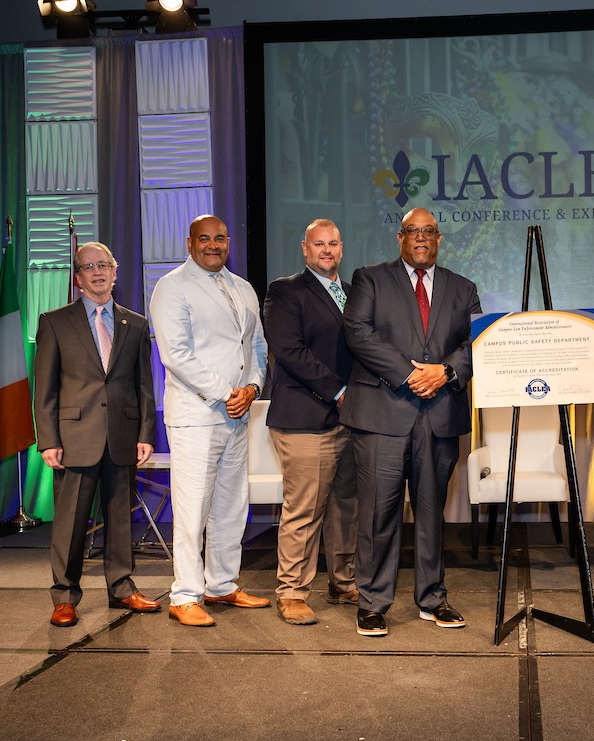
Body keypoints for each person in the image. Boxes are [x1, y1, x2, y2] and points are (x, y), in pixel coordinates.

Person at [340, 207, 482, 637]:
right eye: (413, 231)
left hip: (438, 415)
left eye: (429, 232)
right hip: (383, 413)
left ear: (439, 239)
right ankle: (373, 602)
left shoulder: (463, 288)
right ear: (400, 237)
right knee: (378, 514)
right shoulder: (370, 278)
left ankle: (432, 598)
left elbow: (475, 340)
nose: (421, 238)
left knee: (431, 513)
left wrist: (445, 372)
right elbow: (358, 332)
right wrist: (409, 373)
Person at [150, 214, 270, 627]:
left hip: (238, 414)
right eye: (205, 239)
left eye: (220, 238)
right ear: (190, 242)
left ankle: (221, 585)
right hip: (197, 415)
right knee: (193, 508)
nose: (214, 245)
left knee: (231, 507)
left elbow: (257, 345)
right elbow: (176, 355)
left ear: (229, 242)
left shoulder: (243, 288)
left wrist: (252, 389)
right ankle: (184, 594)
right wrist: (226, 393)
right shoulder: (172, 287)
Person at [34, 241, 160, 627]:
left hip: (122, 437)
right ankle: (64, 596)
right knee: (71, 522)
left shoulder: (135, 323)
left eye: (103, 264)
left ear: (115, 271)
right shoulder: (55, 321)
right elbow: (44, 387)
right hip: (73, 439)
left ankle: (121, 588)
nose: (97, 271)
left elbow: (144, 385)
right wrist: (48, 440)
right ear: (78, 278)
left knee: (120, 517)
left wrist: (145, 432)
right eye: (88, 267)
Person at [263, 219, 358, 625]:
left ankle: (343, 581)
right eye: (318, 244)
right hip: (305, 416)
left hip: (352, 418)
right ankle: (292, 592)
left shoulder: (355, 294)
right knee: (304, 509)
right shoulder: (286, 291)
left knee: (346, 508)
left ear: (341, 248)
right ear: (305, 248)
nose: (326, 250)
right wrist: (339, 391)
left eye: (333, 243)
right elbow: (289, 351)